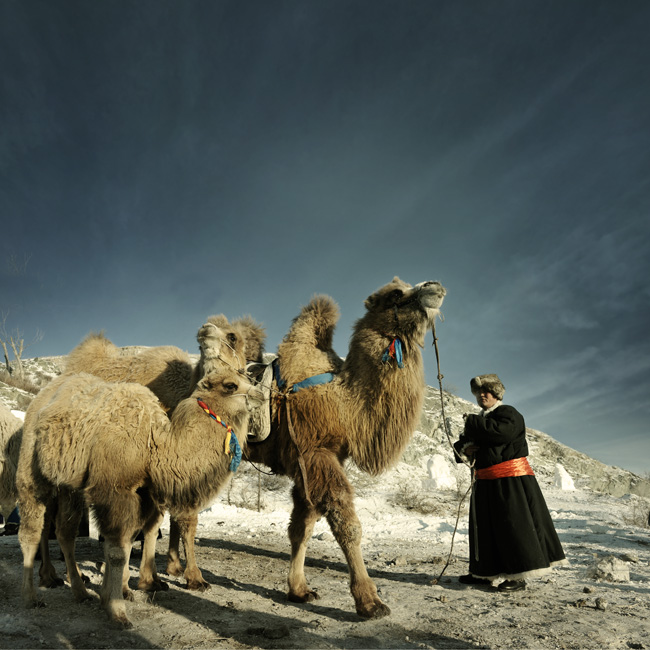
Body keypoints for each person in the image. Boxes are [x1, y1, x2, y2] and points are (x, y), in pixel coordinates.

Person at [454, 374, 567, 592]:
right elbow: (463, 443)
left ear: (496, 393)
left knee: (513, 527)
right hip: (485, 482)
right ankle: (483, 573)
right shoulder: (481, 420)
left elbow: (500, 434)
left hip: (511, 481)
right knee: (484, 530)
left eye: (486, 391)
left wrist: (472, 422)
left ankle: (518, 575)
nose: (481, 395)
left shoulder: (508, 413)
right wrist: (465, 448)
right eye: (478, 392)